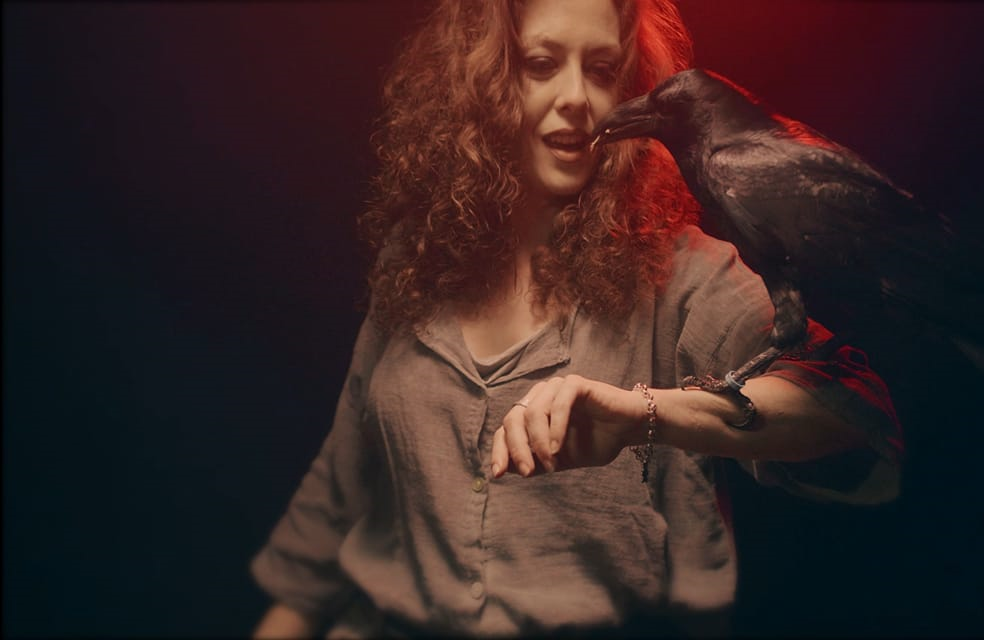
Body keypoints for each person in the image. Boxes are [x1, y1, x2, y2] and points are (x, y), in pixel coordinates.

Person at [251, 0, 904, 636]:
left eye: (600, 70)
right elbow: (338, 495)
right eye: (540, 63)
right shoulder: (415, 255)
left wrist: (644, 415)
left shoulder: (688, 277)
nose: (577, 97)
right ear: (482, 80)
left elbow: (854, 413)